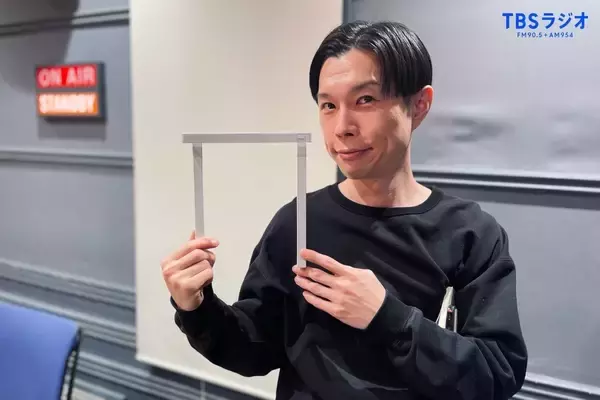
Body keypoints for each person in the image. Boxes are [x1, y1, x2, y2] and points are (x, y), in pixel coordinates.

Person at [160, 20, 528, 400]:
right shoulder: (298, 223)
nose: (342, 127)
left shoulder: (469, 233)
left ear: (419, 105)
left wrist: (387, 317)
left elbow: (496, 373)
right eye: (328, 106)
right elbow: (255, 349)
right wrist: (196, 307)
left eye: (365, 100)